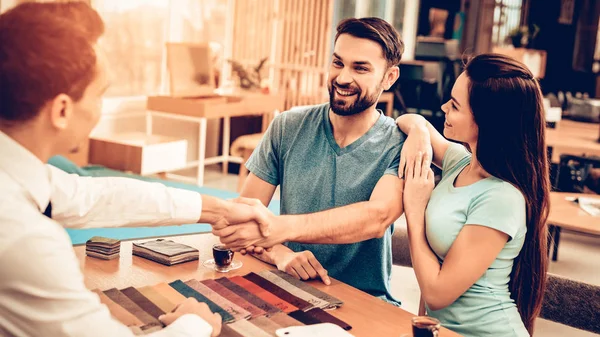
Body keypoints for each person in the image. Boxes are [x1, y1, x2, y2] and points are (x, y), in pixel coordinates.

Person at [0, 2, 265, 336]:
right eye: (100, 95)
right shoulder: (25, 238)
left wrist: (217, 209)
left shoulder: (16, 174)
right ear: (62, 110)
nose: (99, 109)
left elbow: (93, 196)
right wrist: (196, 323)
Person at [212, 17, 406, 305]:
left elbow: (376, 218)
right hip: (287, 289)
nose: (342, 78)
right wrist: (280, 253)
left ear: (389, 78)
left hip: (364, 302)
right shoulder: (288, 126)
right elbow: (242, 221)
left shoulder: (401, 145)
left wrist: (280, 228)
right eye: (338, 63)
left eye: (360, 68)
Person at [396, 53, 550, 336]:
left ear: (487, 121)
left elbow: (437, 293)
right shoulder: (461, 163)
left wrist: (415, 213)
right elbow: (409, 119)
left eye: (454, 106)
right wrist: (418, 130)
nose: (443, 107)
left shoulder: (501, 198)